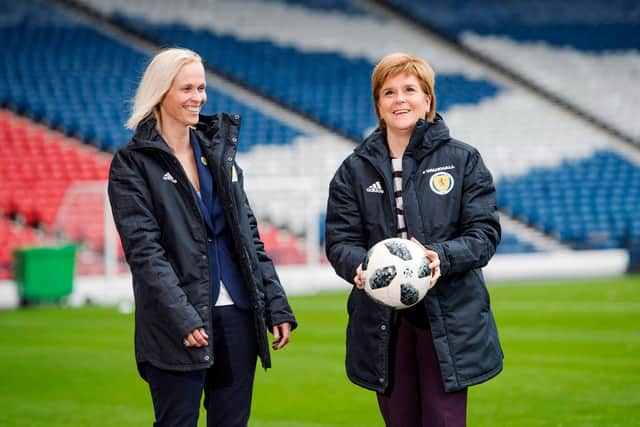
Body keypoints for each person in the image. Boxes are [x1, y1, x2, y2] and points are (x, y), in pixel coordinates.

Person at [108, 47, 297, 427]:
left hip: (238, 317)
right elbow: (145, 253)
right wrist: (183, 317)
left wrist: (276, 304)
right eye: (187, 89)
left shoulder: (218, 153)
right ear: (161, 92)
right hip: (176, 325)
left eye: (202, 88)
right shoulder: (132, 163)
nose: (199, 97)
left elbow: (248, 237)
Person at [325, 52, 503, 427]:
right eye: (388, 92)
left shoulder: (463, 160)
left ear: (427, 99)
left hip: (449, 317)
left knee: (444, 420)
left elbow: (484, 233)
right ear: (378, 104)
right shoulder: (353, 170)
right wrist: (360, 267)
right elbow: (340, 240)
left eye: (409, 89)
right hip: (382, 320)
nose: (399, 99)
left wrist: (439, 257)